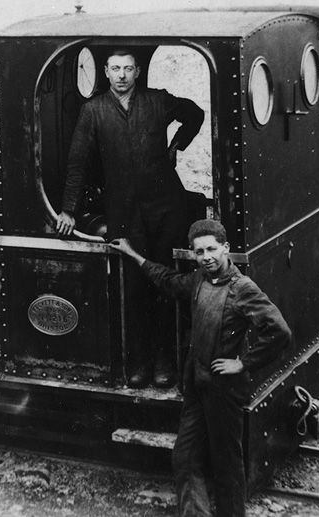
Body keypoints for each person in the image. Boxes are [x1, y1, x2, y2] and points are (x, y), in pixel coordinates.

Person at [109, 219, 291, 517]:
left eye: (212, 249)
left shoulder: (243, 288)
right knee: (185, 457)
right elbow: (166, 279)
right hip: (196, 385)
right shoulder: (198, 280)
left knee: (226, 463)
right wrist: (133, 254)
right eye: (199, 251)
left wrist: (243, 363)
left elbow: (279, 332)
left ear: (226, 249)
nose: (206, 256)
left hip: (223, 389)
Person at [56, 48, 204, 388]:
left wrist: (177, 145)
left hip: (167, 206)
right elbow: (77, 163)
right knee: (133, 286)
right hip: (123, 211)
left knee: (164, 282)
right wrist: (67, 209)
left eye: (128, 69)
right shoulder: (92, 111)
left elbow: (194, 114)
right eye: (115, 69)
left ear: (137, 72)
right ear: (106, 73)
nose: (121, 75)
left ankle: (165, 361)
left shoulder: (158, 101)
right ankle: (139, 363)